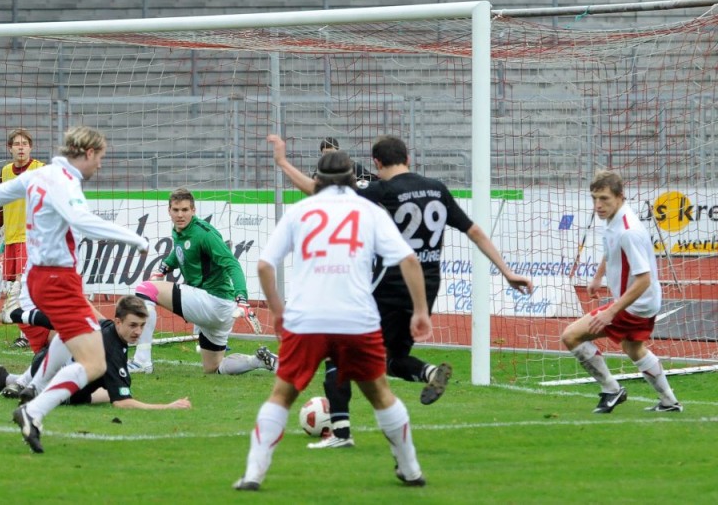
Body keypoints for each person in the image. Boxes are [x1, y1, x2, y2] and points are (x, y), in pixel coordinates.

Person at [269, 133, 534, 448]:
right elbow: (474, 231)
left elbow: (318, 191)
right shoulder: (437, 188)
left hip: (390, 282)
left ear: (377, 164)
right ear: (408, 159)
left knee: (337, 348)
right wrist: (506, 271)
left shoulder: (382, 189)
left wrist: (283, 162)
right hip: (427, 285)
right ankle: (429, 372)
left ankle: (340, 433)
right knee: (392, 357)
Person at [234, 149, 431, 491]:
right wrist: (420, 311)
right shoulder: (369, 211)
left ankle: (253, 474)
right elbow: (409, 261)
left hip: (307, 318)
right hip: (357, 318)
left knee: (282, 395)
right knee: (380, 393)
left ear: (317, 180)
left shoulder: (301, 211)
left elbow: (264, 266)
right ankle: (411, 469)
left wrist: (279, 313)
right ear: (353, 180)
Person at [0, 125, 150, 453]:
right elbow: (82, 219)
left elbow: (6, 191)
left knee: (71, 338)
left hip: (43, 277)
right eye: (99, 157)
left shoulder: (42, 174)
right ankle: (34, 407)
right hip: (58, 281)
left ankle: (33, 386)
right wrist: (135, 239)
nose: (100, 165)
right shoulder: (64, 181)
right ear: (87, 153)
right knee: (94, 364)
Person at [561, 170, 682, 413]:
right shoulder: (615, 220)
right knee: (633, 348)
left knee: (571, 336)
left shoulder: (629, 231)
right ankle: (669, 402)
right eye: (594, 198)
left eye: (604, 198)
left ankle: (611, 390)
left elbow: (644, 279)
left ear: (620, 196)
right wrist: (597, 277)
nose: (598, 205)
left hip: (635, 304)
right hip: (643, 303)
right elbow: (610, 248)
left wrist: (611, 312)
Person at [130, 187, 277, 376]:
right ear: (169, 210)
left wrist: (242, 299)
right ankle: (256, 361)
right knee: (213, 368)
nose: (180, 215)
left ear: (194, 210)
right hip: (221, 310)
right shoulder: (181, 230)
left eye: (185, 210)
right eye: (176, 210)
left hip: (212, 301)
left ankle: (141, 361)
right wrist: (164, 268)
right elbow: (181, 251)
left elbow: (232, 264)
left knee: (145, 290)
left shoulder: (205, 233)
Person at [0, 296, 192, 410]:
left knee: (75, 325)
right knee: (113, 393)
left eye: (142, 326)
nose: (138, 331)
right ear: (119, 322)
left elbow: (70, 314)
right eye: (133, 325)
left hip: (49, 363)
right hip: (56, 378)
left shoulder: (108, 327)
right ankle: (28, 387)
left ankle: (10, 379)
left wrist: (18, 314)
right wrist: (167, 406)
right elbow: (122, 403)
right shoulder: (112, 351)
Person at [0, 128, 45, 348]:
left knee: (24, 289)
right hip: (11, 238)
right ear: (10, 148)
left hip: (31, 238)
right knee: (15, 286)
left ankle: (27, 336)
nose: (21, 147)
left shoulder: (40, 169)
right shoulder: (5, 172)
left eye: (25, 143)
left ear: (30, 147)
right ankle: (29, 332)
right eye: (17, 144)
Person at [312, 137, 377, 183]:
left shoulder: (352, 166)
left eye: (332, 153)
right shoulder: (319, 170)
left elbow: (372, 179)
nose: (330, 156)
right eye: (326, 153)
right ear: (321, 154)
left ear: (338, 151)